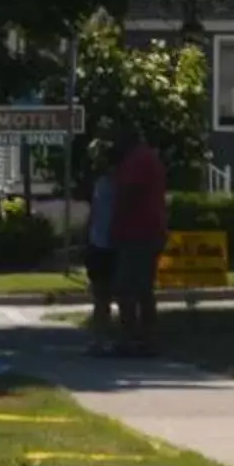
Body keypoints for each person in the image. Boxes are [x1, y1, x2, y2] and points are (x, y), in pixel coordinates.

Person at [107, 129, 169, 356]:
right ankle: (146, 339)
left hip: (138, 232)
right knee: (143, 288)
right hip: (150, 231)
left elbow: (127, 195)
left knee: (126, 288)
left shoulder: (137, 161)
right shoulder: (148, 158)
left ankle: (130, 340)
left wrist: (116, 227)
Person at [84, 138, 119, 333]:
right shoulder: (105, 183)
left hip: (107, 243)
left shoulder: (110, 184)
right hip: (102, 242)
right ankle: (101, 336)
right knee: (101, 295)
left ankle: (102, 336)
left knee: (103, 296)